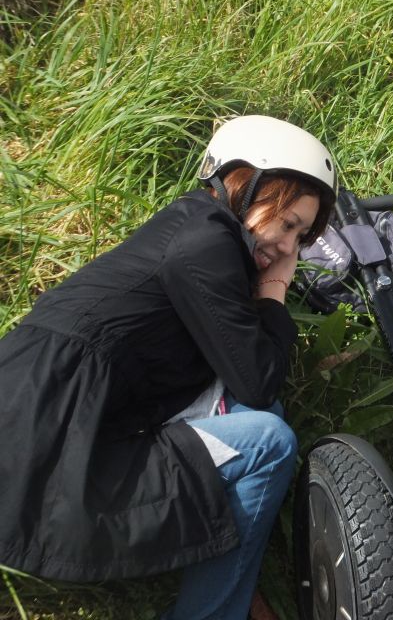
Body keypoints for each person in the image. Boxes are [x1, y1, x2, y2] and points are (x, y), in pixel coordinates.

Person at [0, 114, 337, 619]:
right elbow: (259, 379)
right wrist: (274, 291)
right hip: (47, 455)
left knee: (256, 416)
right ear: (244, 181)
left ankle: (225, 579)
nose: (290, 248)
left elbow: (251, 374)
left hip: (53, 423)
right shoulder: (204, 242)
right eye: (288, 224)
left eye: (302, 236)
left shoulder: (193, 229)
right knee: (268, 442)